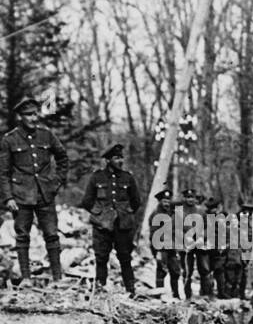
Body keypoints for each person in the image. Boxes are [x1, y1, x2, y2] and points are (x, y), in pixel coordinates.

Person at [0, 97, 69, 285]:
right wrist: (8, 198)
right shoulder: (10, 139)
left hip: (45, 193)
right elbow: (3, 172)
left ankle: (57, 277)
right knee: (22, 236)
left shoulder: (46, 135)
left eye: (36, 113)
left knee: (52, 235)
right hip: (21, 195)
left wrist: (56, 182)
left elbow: (63, 158)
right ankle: (26, 278)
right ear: (21, 117)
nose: (34, 118)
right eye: (29, 115)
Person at [79, 143, 142, 295]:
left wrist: (125, 213)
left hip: (123, 226)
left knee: (125, 258)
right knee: (101, 258)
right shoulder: (97, 177)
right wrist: (100, 215)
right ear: (108, 160)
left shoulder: (128, 178)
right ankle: (100, 290)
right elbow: (87, 201)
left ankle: (130, 290)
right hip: (102, 226)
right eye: (116, 158)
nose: (120, 161)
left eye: (121, 158)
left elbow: (136, 201)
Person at [151, 188, 183, 298]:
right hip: (161, 247)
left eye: (168, 201)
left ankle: (176, 295)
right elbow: (153, 234)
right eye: (164, 201)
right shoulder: (155, 215)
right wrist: (157, 251)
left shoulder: (173, 213)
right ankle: (158, 296)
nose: (166, 203)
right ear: (160, 202)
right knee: (161, 271)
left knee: (175, 271)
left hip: (172, 247)